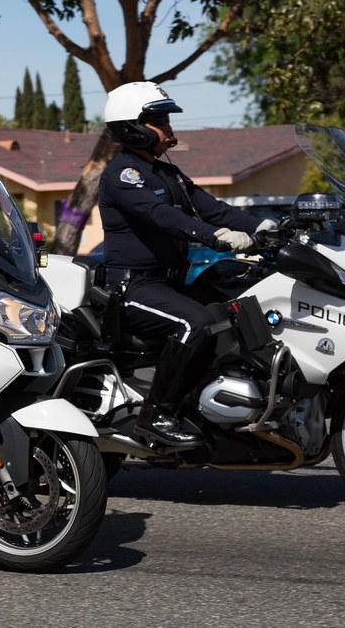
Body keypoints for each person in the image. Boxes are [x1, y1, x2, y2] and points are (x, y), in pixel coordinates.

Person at [98, 81, 276, 448]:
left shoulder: (167, 173)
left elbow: (211, 207)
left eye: (167, 120)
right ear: (132, 126)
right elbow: (162, 216)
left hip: (169, 283)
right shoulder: (123, 175)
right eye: (159, 120)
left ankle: (229, 401)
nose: (168, 128)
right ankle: (156, 415)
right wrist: (217, 237)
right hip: (135, 288)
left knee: (234, 286)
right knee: (194, 322)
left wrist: (261, 226)